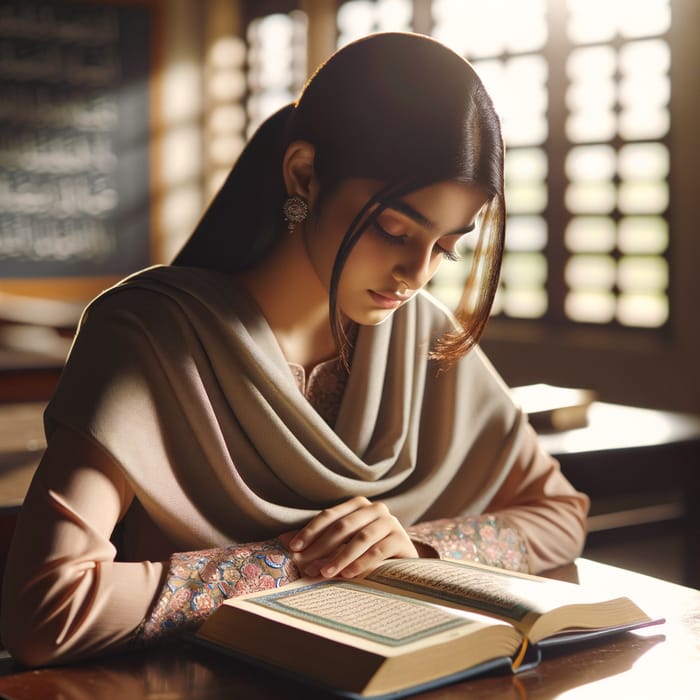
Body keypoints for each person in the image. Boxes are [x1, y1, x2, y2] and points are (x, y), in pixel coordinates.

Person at [0, 32, 588, 667]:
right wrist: (294, 564)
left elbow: (560, 514)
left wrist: (407, 546)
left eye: (446, 246)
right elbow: (45, 610)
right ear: (304, 174)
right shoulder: (149, 335)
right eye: (395, 229)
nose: (416, 273)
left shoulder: (424, 336)